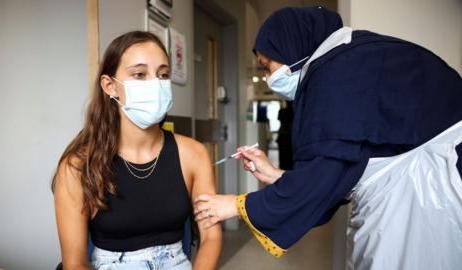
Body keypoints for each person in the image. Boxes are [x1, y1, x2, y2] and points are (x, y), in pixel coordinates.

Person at [194, 5, 462, 264]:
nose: (267, 78)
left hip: (426, 188)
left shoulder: (333, 74)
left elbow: (328, 169)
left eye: (266, 66)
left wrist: (236, 205)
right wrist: (279, 176)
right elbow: (349, 161)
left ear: (291, 48)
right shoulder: (348, 57)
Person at [52, 31, 222, 270]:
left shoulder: (193, 154)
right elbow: (75, 264)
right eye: (140, 74)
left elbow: (211, 237)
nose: (155, 83)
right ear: (109, 86)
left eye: (162, 74)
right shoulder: (77, 167)